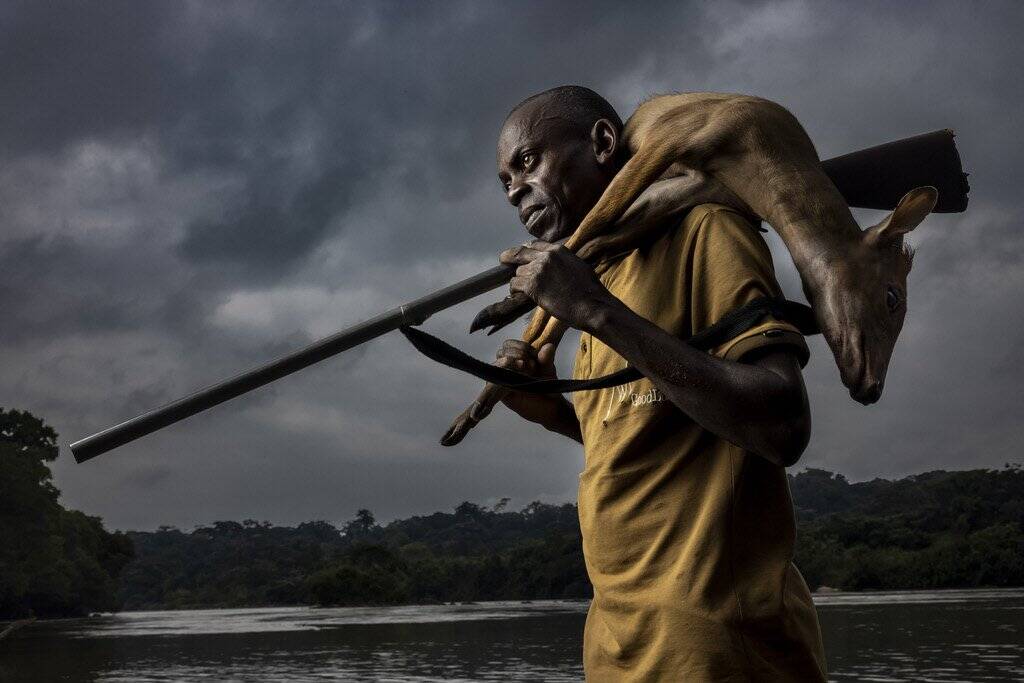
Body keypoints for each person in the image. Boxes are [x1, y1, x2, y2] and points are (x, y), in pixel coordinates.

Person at [485, 85, 827, 681]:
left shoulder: (706, 232)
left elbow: (781, 425)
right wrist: (550, 410)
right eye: (505, 180)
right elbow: (652, 433)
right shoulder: (596, 275)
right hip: (617, 647)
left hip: (718, 648)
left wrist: (595, 312)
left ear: (603, 144)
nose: (515, 187)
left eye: (528, 161)